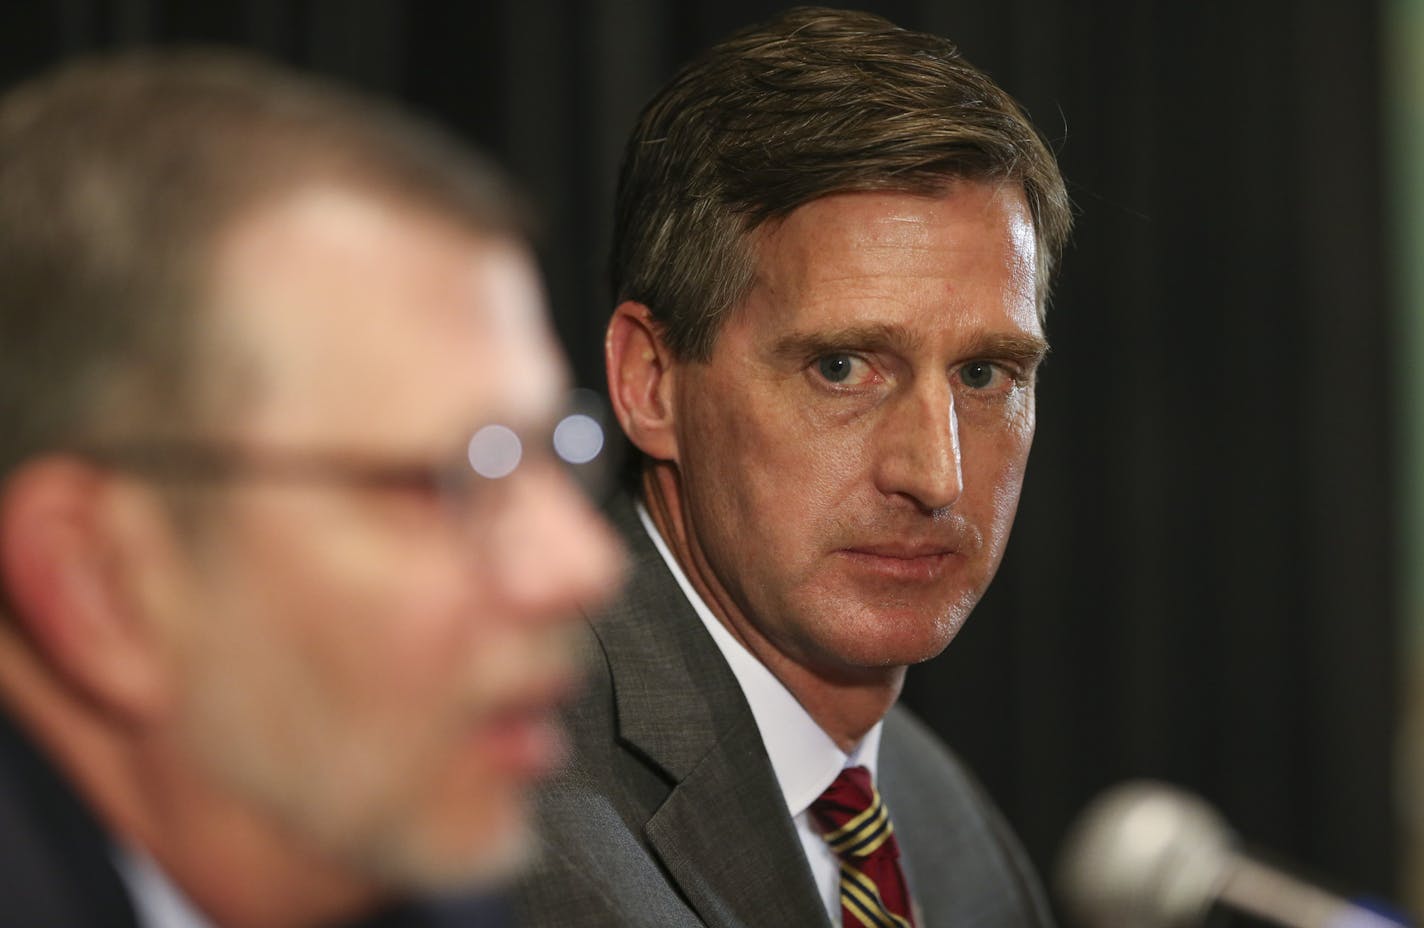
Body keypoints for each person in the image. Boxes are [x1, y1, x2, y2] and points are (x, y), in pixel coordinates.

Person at [0, 50, 624, 927]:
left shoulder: (426, 889)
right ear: (100, 582)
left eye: (549, 450)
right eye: (455, 478)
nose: (585, 565)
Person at [514, 7, 1072, 927]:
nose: (936, 474)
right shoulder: (516, 811)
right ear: (651, 382)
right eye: (842, 367)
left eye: (984, 374)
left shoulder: (948, 829)